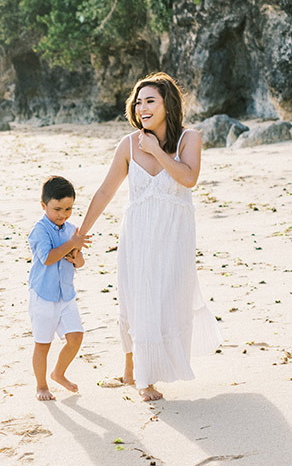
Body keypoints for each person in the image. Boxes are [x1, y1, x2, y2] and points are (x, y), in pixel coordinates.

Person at [77, 73, 221, 401]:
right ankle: (141, 376)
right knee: (138, 299)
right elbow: (105, 191)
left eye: (150, 100)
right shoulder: (127, 145)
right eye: (138, 101)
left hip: (174, 238)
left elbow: (189, 178)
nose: (142, 107)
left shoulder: (189, 139)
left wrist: (156, 150)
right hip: (138, 235)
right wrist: (80, 234)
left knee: (167, 299)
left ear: (167, 104)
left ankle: (135, 369)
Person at [28, 176, 90, 401]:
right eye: (57, 209)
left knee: (76, 337)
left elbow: (80, 261)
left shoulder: (71, 229)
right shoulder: (40, 230)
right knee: (43, 344)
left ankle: (58, 373)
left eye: (68, 208)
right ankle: (42, 385)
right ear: (44, 206)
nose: (63, 214)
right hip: (43, 295)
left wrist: (76, 255)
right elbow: (47, 258)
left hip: (66, 295)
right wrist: (70, 245)